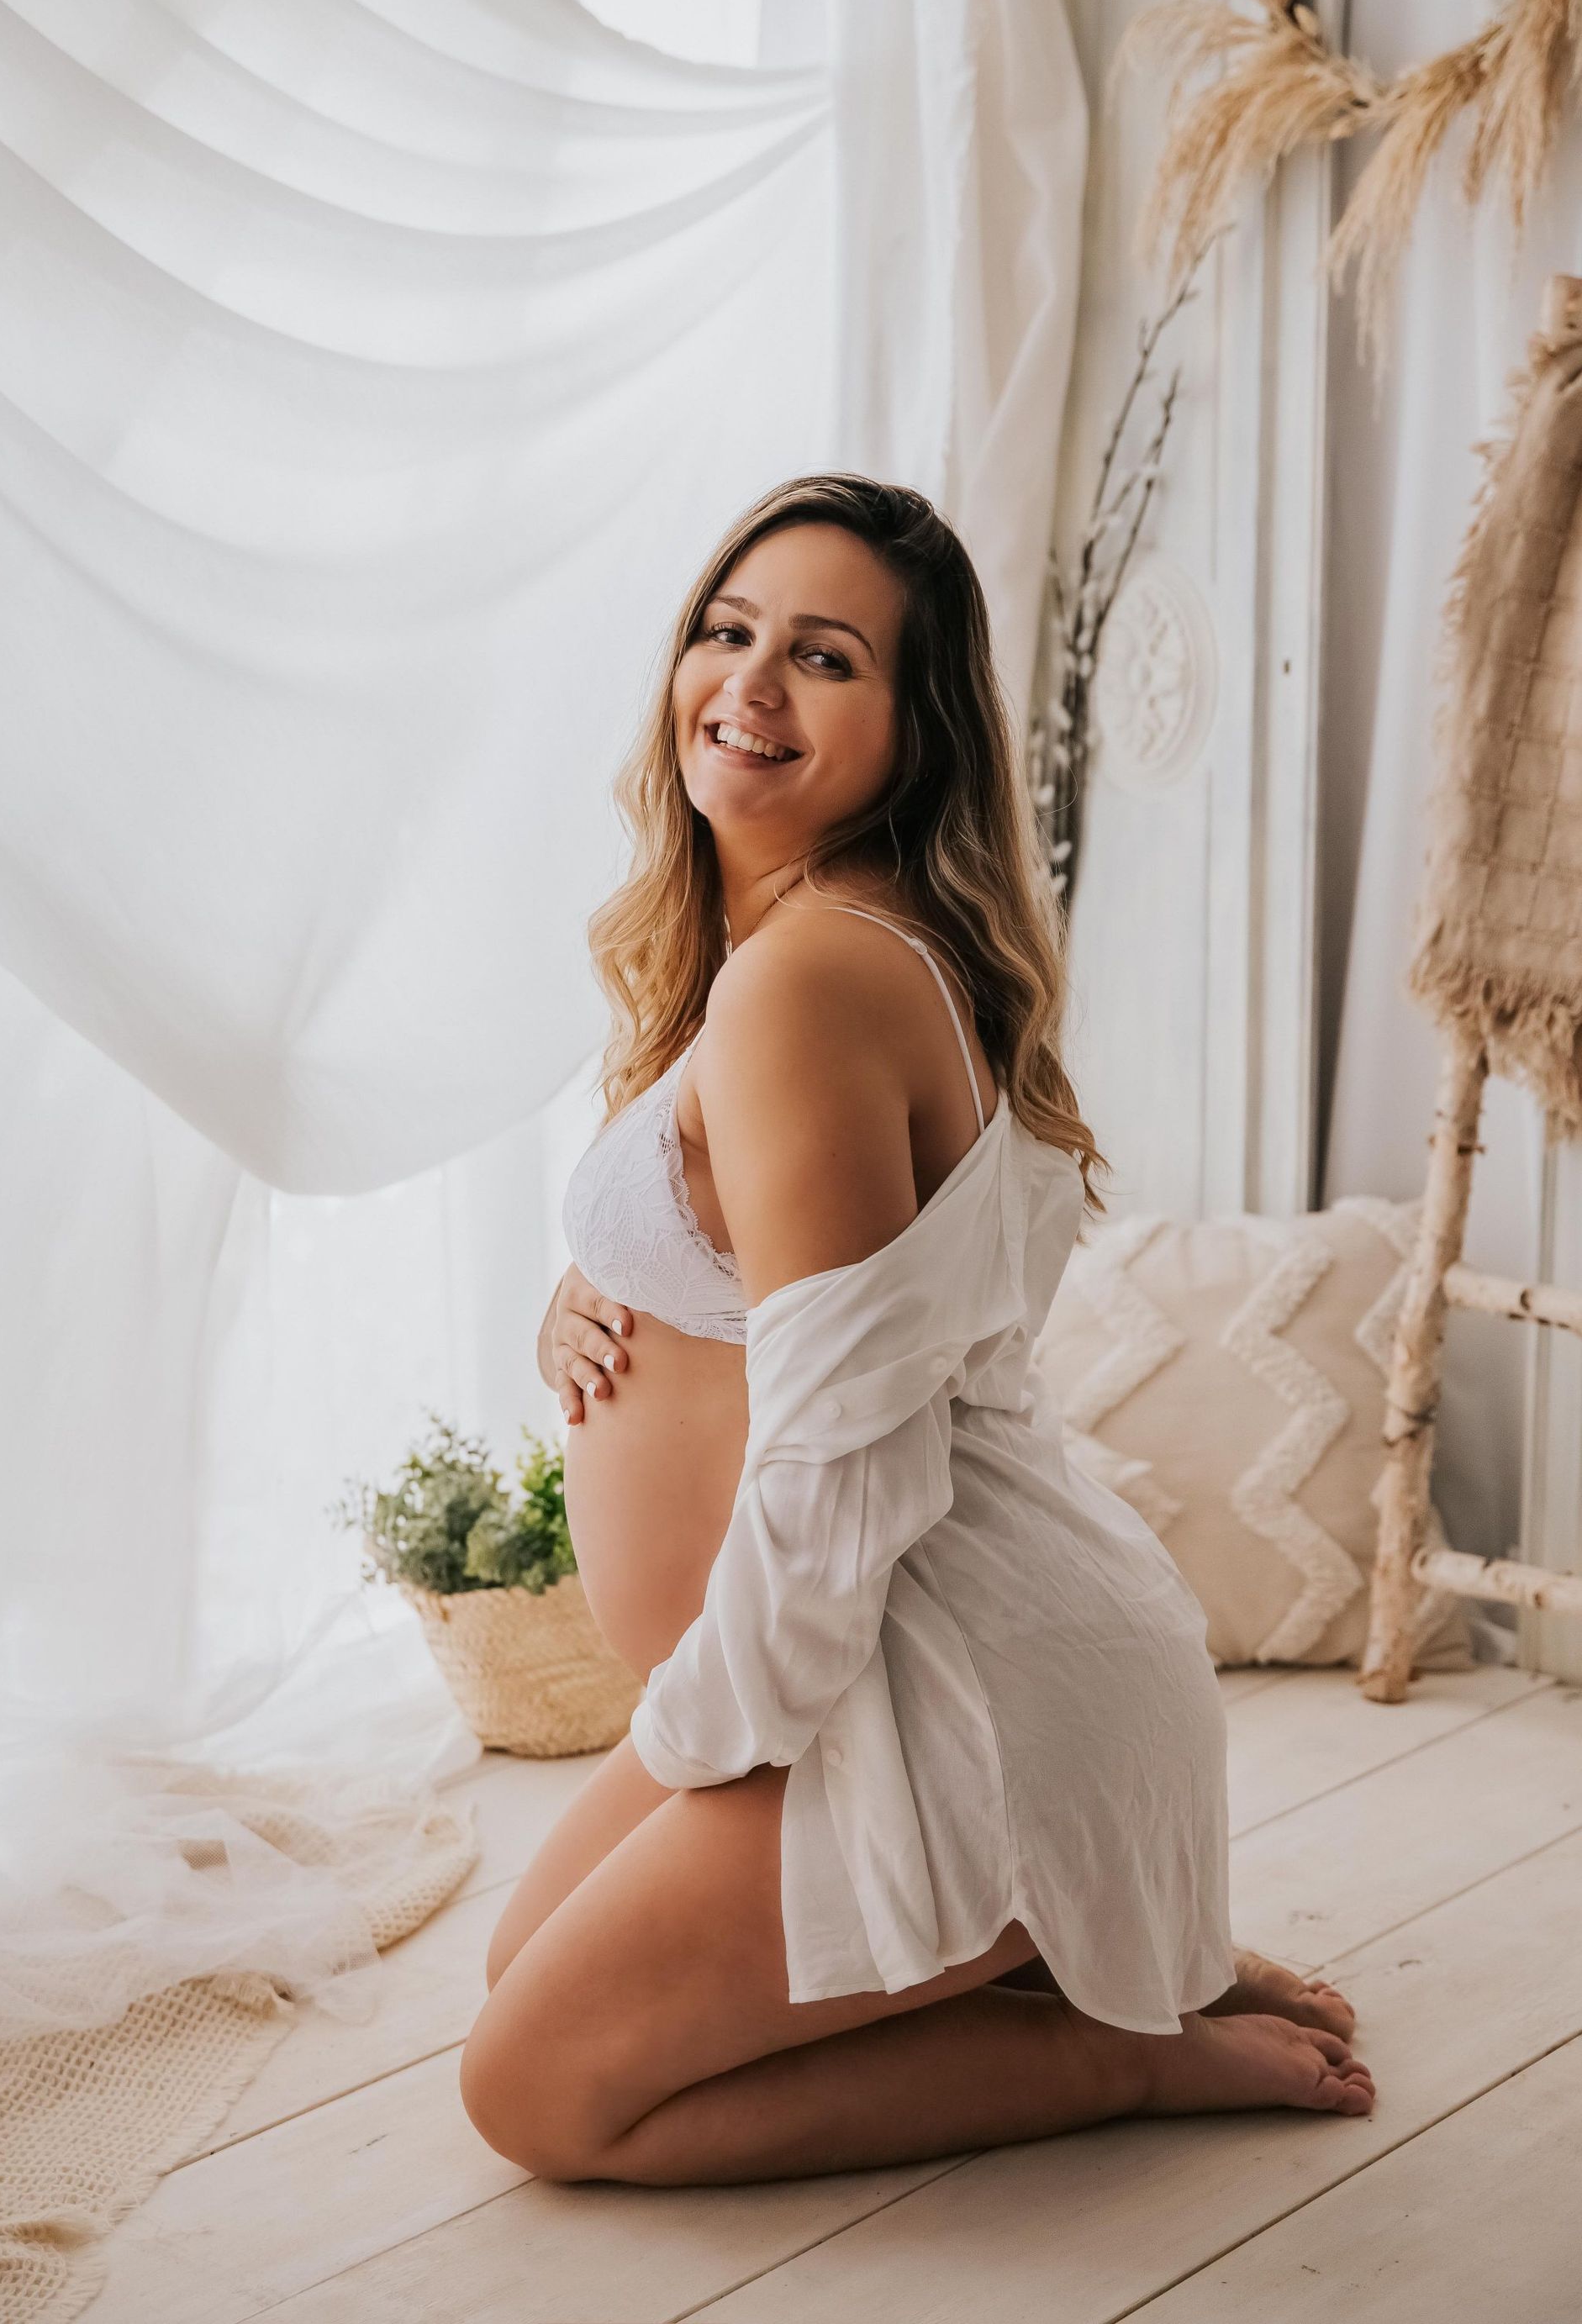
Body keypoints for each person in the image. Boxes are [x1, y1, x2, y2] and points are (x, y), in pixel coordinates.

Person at [459, 474, 1373, 2187]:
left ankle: (1112, 2052)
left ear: (917, 725)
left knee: (537, 2096)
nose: (748, 684)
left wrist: (688, 1748)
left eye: (824, 657)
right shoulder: (808, 940)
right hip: (884, 1665)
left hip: (911, 1689)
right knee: (527, 1979)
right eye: (726, 633)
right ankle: (1078, 1941)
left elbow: (836, 1481)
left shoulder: (809, 976)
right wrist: (611, 1278)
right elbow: (823, 1291)